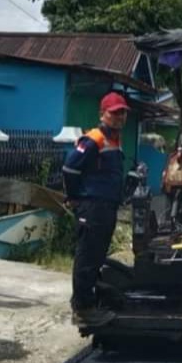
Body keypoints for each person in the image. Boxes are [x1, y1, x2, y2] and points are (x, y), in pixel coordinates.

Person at [62, 92, 129, 327]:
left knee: (96, 256)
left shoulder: (114, 140)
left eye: (123, 112)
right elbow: (70, 169)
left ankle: (87, 301)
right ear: (103, 114)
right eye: (115, 113)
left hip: (105, 207)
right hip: (92, 207)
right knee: (87, 258)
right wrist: (74, 197)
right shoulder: (94, 139)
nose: (120, 117)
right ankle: (83, 310)